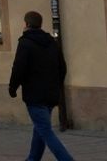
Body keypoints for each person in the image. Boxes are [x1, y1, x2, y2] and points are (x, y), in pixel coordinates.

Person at [9, 11, 75, 161]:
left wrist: (12, 88)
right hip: (51, 94)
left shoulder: (25, 43)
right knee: (40, 129)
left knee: (45, 130)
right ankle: (32, 159)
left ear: (26, 24)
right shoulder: (51, 42)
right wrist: (57, 86)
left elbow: (18, 68)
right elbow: (62, 67)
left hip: (34, 95)